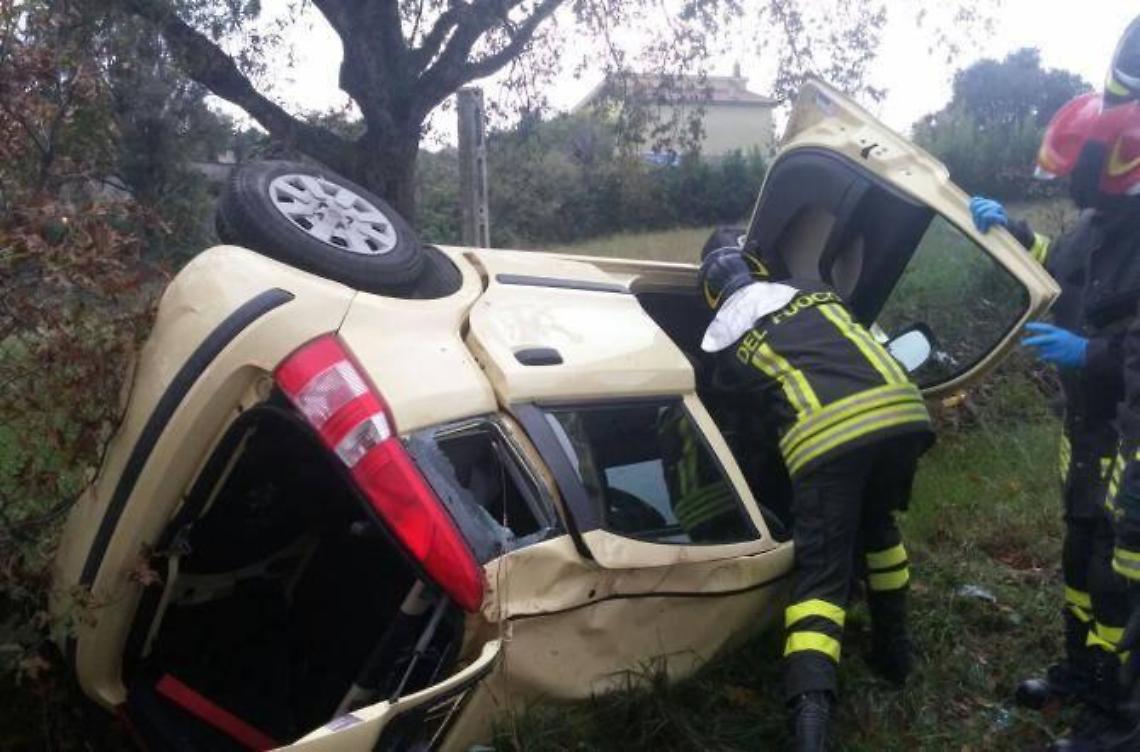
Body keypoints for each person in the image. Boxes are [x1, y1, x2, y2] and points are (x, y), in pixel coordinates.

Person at [968, 18, 1140, 749]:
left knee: (1121, 578)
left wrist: (1090, 353)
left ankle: (1117, 712)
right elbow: (1060, 263)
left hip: (1130, 439)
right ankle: (1081, 672)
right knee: (1081, 560)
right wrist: (1012, 232)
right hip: (1088, 437)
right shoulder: (1099, 221)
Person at [697, 242, 933, 751]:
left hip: (830, 438)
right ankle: (895, 654)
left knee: (821, 578)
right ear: (762, 267)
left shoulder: (726, 343)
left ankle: (810, 721)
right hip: (904, 415)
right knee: (879, 528)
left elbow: (750, 427)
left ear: (714, 298)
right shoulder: (814, 293)